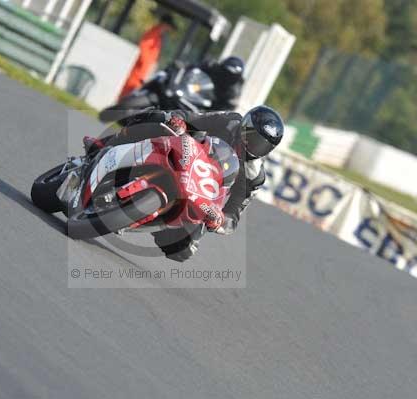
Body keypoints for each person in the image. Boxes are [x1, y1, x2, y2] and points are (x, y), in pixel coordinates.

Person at [83, 106, 285, 262]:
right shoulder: (230, 121)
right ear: (244, 125)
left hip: (202, 195)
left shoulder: (254, 176)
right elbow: (193, 118)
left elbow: (234, 216)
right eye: (251, 135)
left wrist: (219, 221)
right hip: (187, 155)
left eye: (261, 144)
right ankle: (105, 145)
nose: (252, 144)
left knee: (182, 250)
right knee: (157, 117)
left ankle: (147, 218)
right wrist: (177, 120)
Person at [118, 14, 177, 99]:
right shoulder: (154, 33)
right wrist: (144, 63)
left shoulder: (158, 36)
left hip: (144, 69)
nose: (169, 29)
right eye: (169, 26)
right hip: (140, 69)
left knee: (134, 92)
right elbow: (144, 46)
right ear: (164, 24)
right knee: (129, 91)